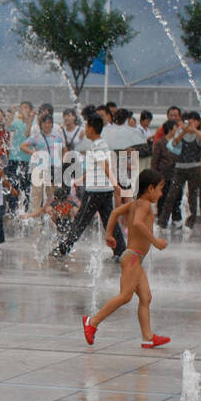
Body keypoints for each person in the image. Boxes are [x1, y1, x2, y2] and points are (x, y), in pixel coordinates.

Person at [82, 171, 170, 349]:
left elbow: (114, 213)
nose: (161, 194)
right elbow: (137, 223)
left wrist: (109, 234)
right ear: (150, 188)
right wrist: (156, 242)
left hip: (134, 258)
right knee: (125, 296)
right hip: (132, 259)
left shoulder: (135, 204)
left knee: (145, 297)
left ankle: (148, 337)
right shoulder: (144, 205)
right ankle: (92, 322)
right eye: (160, 189)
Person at [53, 114, 124, 258]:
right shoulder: (99, 144)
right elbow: (96, 168)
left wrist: (116, 184)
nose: (85, 130)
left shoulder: (98, 145)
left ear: (91, 128)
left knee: (80, 221)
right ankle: (121, 251)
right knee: (109, 222)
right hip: (104, 190)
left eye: (86, 126)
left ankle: (62, 250)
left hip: (95, 191)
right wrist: (81, 179)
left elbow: (104, 165)